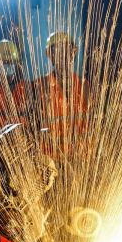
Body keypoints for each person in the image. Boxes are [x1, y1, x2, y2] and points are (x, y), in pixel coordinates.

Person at [35, 31, 90, 159]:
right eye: (57, 52)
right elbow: (33, 127)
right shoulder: (40, 86)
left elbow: (92, 123)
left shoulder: (84, 85)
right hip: (51, 160)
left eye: (66, 50)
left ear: (73, 53)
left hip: (81, 158)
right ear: (50, 55)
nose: (63, 56)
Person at [0, 39, 29, 135]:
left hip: (23, 141)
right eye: (2, 63)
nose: (5, 66)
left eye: (9, 62)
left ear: (16, 63)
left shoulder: (27, 88)